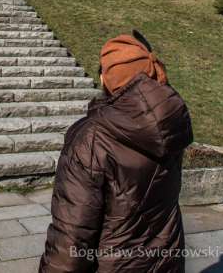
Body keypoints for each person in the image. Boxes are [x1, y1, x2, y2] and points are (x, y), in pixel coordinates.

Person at [38, 32, 193, 273]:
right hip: (166, 261)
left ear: (109, 79)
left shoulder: (91, 138)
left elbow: (72, 235)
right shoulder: (172, 122)